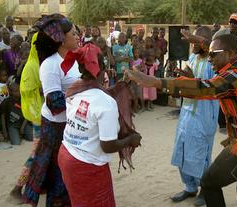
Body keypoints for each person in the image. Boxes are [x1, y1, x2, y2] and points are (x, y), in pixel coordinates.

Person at [126, 33, 237, 207]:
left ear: (229, 54)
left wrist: (156, 82)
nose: (210, 59)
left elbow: (202, 88)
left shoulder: (235, 77)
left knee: (209, 183)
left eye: (214, 55)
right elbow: (223, 48)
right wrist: (202, 42)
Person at [57, 43, 141, 207]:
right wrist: (131, 139)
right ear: (103, 67)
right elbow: (108, 146)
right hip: (87, 166)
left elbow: (95, 96)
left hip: (67, 155)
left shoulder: (74, 89)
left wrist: (120, 86)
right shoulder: (105, 103)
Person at [22, 14, 80, 207]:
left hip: (72, 123)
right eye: (73, 33)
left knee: (69, 169)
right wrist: (85, 93)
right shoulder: (50, 65)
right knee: (57, 171)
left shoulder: (76, 60)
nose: (78, 36)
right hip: (55, 127)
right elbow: (55, 104)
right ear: (62, 39)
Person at [169, 26, 219, 207]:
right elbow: (189, 84)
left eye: (196, 41)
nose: (192, 44)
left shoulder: (215, 62)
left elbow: (214, 87)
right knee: (181, 149)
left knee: (201, 154)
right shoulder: (191, 58)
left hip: (205, 115)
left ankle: (206, 189)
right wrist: (185, 79)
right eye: (192, 41)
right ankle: (190, 187)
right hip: (187, 113)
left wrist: (192, 80)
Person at [9, 32, 44, 204]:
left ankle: (39, 186)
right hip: (39, 116)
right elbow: (28, 91)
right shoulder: (32, 66)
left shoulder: (38, 63)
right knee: (36, 154)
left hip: (42, 114)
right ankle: (17, 188)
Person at [0, 80, 32, 145]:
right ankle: (17, 134)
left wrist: (22, 127)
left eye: (20, 89)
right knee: (16, 143)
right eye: (17, 91)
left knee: (32, 138)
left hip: (23, 123)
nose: (19, 91)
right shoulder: (7, 101)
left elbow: (28, 114)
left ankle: (22, 134)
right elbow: (2, 116)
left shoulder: (24, 99)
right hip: (12, 126)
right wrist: (4, 130)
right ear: (11, 92)